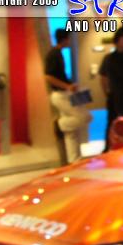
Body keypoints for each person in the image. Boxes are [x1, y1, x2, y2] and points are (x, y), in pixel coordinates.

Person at [44, 29, 91, 163]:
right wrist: (67, 86)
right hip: (61, 94)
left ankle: (74, 160)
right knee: (84, 116)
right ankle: (60, 124)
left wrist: (70, 85)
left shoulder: (58, 53)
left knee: (71, 133)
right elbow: (48, 76)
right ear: (65, 39)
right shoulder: (54, 54)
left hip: (64, 92)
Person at [98, 52, 116, 150]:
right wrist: (107, 94)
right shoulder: (109, 58)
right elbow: (103, 78)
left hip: (121, 99)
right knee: (111, 123)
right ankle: (108, 148)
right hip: (114, 98)